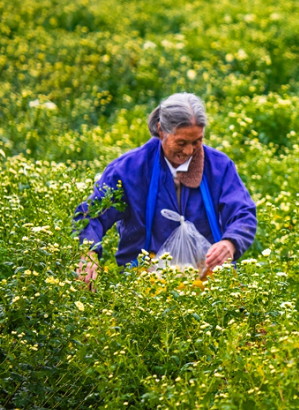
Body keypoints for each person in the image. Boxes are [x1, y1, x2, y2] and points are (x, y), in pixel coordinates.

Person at [75, 92, 257, 288]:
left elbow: (243, 213)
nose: (188, 151)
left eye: (196, 141)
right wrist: (88, 253)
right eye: (181, 143)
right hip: (143, 282)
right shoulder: (129, 169)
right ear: (161, 131)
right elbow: (91, 215)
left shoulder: (219, 166)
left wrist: (230, 243)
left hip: (208, 281)